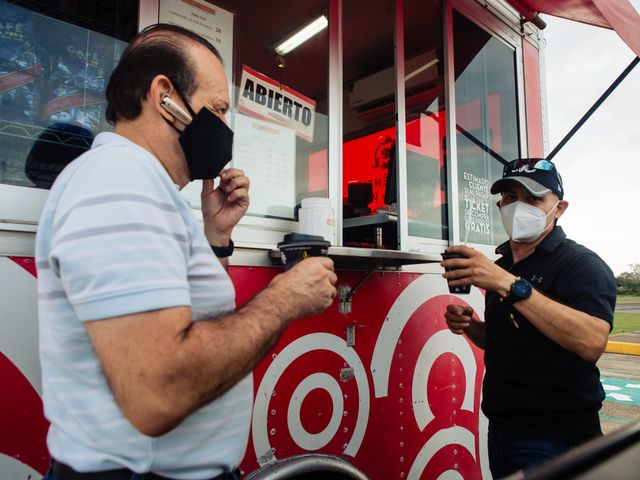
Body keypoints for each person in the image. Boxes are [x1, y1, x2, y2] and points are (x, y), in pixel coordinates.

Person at [36, 24, 337, 480]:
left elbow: (184, 318)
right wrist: (284, 300)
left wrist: (216, 237)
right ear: (164, 97)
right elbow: (157, 392)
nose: (224, 127)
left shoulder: (146, 188)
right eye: (216, 108)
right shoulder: (119, 182)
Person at [442, 158, 616, 478]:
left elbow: (591, 342)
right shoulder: (504, 265)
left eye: (534, 198)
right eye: (510, 197)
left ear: (559, 208)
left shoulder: (582, 265)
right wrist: (471, 327)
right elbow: (506, 338)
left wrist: (506, 284)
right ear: (499, 204)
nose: (518, 206)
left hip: (558, 437)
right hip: (502, 428)